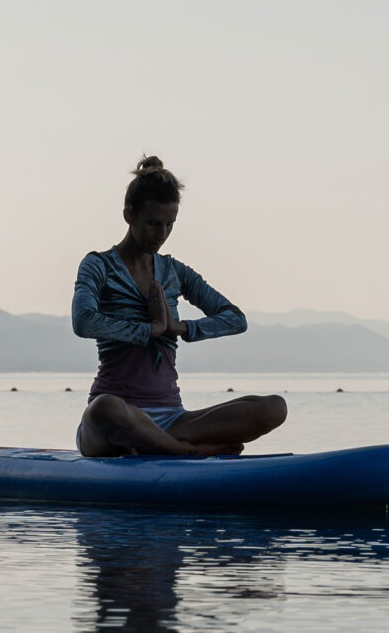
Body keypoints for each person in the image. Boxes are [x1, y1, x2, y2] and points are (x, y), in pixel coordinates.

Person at [71, 157, 287, 457]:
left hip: (172, 419)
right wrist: (149, 330)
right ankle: (187, 452)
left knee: (274, 407)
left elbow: (235, 318)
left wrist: (181, 328)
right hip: (116, 420)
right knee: (103, 408)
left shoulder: (174, 272)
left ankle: (160, 443)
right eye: (153, 223)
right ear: (128, 215)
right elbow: (83, 321)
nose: (161, 234)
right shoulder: (99, 265)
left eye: (169, 224)